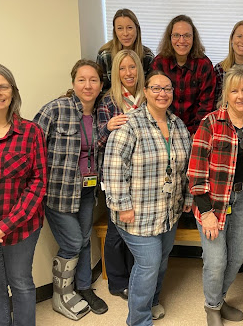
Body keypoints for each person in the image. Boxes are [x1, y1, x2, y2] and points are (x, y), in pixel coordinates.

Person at [103, 70, 193, 326]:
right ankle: (139, 319)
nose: (162, 93)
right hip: (136, 213)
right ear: (146, 91)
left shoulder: (178, 125)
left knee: (161, 261)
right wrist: (122, 206)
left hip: (168, 211)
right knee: (149, 263)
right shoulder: (130, 123)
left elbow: (186, 167)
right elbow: (113, 167)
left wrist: (186, 198)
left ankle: (152, 301)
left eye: (167, 89)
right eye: (156, 88)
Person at [188, 65, 243, 326]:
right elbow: (195, 170)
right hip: (212, 202)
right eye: (234, 90)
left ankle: (220, 299)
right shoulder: (211, 122)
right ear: (226, 93)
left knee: (237, 257)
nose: (240, 95)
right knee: (216, 260)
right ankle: (212, 307)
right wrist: (205, 212)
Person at [0, 63, 46, 326]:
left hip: (21, 228)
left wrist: (5, 225)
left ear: (13, 92)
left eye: (3, 86)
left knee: (22, 284)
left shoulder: (31, 132)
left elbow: (38, 183)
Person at [34, 59, 108, 320]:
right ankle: (60, 295)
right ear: (73, 82)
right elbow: (32, 146)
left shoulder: (101, 113)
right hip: (59, 191)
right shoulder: (56, 109)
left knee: (85, 240)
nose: (88, 85)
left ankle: (84, 288)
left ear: (101, 84)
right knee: (74, 242)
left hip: (88, 189)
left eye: (93, 80)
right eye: (82, 80)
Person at [97, 50, 146, 300]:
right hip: (116, 176)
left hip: (143, 176)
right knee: (116, 230)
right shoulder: (109, 102)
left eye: (132, 67)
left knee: (136, 227)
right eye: (123, 68)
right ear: (116, 72)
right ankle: (117, 282)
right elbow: (98, 141)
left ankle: (134, 275)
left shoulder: (148, 99)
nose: (128, 73)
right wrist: (107, 127)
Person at [150, 14, 216, 135]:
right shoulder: (159, 63)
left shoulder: (204, 65)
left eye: (187, 36)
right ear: (169, 37)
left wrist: (195, 134)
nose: (181, 40)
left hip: (195, 130)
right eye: (176, 35)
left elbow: (206, 106)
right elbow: (154, 101)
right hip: (164, 128)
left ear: (193, 38)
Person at [97, 8, 154, 91]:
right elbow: (100, 89)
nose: (125, 33)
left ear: (137, 29)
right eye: (120, 28)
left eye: (129, 28)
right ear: (115, 31)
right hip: (111, 102)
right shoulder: (105, 55)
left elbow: (151, 89)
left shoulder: (148, 56)